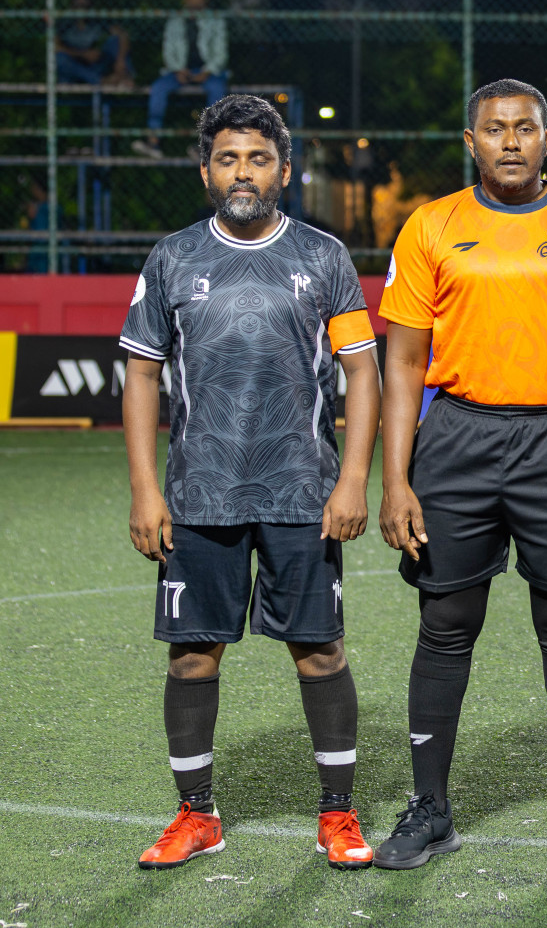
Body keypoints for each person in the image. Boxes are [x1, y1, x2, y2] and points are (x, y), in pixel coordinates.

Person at [373, 78, 547, 873]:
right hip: (457, 436)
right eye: (494, 129)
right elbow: (404, 359)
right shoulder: (431, 226)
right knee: (445, 622)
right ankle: (431, 808)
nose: (510, 142)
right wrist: (396, 478)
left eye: (524, 128)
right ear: (472, 142)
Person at [119, 94, 381, 871]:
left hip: (303, 494)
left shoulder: (324, 257)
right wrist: (145, 489)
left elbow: (363, 372)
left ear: (285, 171)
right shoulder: (172, 258)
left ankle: (338, 814)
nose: (244, 172)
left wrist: (354, 478)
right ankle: (196, 816)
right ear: (206, 171)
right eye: (228, 158)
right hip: (199, 496)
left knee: (320, 653)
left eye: (259, 159)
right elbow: (141, 374)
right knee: (191, 658)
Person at [133, 0, 228, 158]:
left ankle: (209, 146)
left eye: (198, 3)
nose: (194, 7)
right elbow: (168, 50)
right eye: (191, 2)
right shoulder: (175, 22)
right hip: (180, 70)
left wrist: (207, 71)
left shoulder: (215, 20)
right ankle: (153, 143)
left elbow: (220, 53)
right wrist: (177, 69)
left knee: (217, 90)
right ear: (185, 0)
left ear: (205, 2)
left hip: (208, 71)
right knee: (159, 88)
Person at [55, 0, 133, 87]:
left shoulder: (97, 20)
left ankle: (124, 77)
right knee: (60, 59)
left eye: (85, 7)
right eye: (78, 6)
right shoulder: (64, 23)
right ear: (72, 7)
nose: (81, 10)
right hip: (75, 66)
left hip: (95, 64)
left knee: (114, 41)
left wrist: (120, 60)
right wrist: (83, 54)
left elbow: (122, 35)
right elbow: (56, 47)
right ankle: (100, 81)